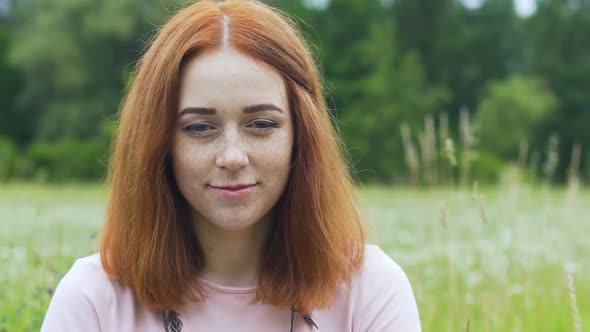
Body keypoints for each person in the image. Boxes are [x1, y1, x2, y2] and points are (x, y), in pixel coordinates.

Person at [40, 0, 421, 331]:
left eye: (261, 124)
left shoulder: (370, 289)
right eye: (200, 128)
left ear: (300, 136)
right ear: (159, 144)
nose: (233, 157)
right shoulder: (93, 298)